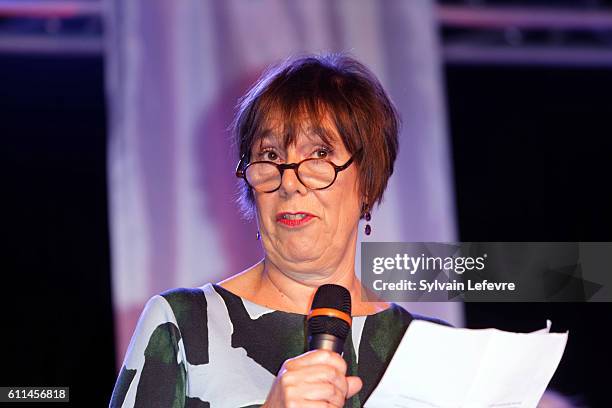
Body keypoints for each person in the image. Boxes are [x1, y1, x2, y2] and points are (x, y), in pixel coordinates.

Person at [110, 53, 446, 408]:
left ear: (367, 181)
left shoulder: (426, 350)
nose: (289, 182)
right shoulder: (181, 326)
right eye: (269, 156)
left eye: (319, 154)